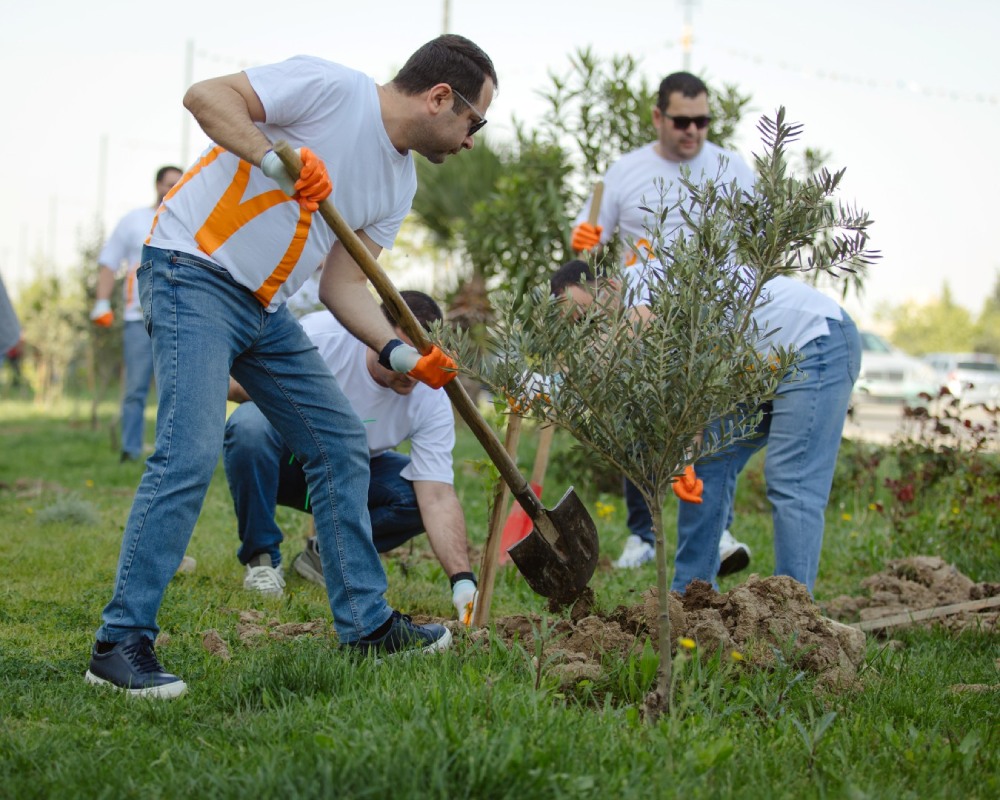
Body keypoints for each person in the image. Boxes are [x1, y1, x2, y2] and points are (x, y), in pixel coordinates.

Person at [85, 34, 497, 699]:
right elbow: (205, 96)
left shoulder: (399, 184)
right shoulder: (332, 88)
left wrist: (402, 355)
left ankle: (366, 626)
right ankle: (118, 644)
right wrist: (276, 157)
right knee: (189, 450)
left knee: (338, 442)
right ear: (440, 98)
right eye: (474, 123)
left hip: (263, 306)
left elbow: (343, 286)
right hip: (192, 267)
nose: (472, 140)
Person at [569, 70, 754, 572]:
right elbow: (590, 233)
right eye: (681, 121)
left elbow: (760, 235)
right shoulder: (625, 171)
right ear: (658, 116)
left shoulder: (732, 169)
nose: (692, 130)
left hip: (711, 317)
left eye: (702, 121)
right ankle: (643, 534)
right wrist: (584, 237)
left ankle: (717, 529)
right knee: (640, 418)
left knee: (711, 420)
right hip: (642, 315)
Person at [224, 290, 478, 624]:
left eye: (422, 359)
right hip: (288, 461)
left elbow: (438, 497)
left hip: (348, 480)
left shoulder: (431, 398)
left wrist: (463, 582)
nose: (412, 371)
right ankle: (262, 560)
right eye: (404, 357)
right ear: (376, 334)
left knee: (413, 497)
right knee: (249, 425)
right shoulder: (321, 336)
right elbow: (232, 382)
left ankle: (324, 554)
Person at [90, 166, 183, 462]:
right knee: (135, 389)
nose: (172, 189)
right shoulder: (134, 221)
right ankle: (130, 450)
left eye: (179, 184)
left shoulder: (188, 222)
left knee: (176, 389)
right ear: (157, 185)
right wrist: (101, 302)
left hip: (178, 318)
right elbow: (109, 262)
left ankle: (172, 453)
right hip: (137, 318)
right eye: (168, 184)